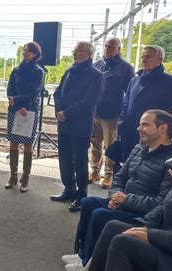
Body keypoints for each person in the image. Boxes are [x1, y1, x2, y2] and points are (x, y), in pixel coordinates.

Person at [62, 110, 172, 271]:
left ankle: (89, 262)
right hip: (124, 202)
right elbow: (120, 177)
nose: (138, 128)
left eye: (145, 124)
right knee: (88, 203)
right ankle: (83, 254)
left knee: (100, 215)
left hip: (143, 214)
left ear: (163, 128)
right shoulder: (140, 147)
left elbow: (162, 202)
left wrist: (126, 199)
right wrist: (114, 196)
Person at [87, 169, 172, 271]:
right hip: (166, 237)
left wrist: (152, 236)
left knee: (123, 243)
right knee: (112, 226)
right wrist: (145, 225)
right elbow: (163, 205)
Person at [50, 41, 104, 212]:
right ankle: (69, 189)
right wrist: (59, 110)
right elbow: (57, 92)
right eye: (74, 50)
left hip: (80, 124)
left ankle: (81, 196)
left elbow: (89, 101)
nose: (75, 53)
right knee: (65, 159)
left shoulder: (96, 75)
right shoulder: (68, 71)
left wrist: (67, 113)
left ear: (88, 54)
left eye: (79, 51)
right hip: (64, 123)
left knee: (80, 161)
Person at [114, 45, 172, 174]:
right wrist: (121, 123)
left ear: (160, 59)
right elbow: (126, 104)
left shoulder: (169, 81)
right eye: (143, 56)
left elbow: (170, 110)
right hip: (129, 131)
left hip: (152, 134)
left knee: (142, 169)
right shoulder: (135, 80)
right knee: (124, 166)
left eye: (148, 56)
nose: (144, 60)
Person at [90, 37, 135, 189]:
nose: (107, 49)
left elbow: (129, 92)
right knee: (95, 143)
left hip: (112, 113)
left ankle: (108, 174)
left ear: (118, 49)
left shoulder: (126, 68)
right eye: (106, 46)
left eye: (111, 47)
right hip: (95, 111)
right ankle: (94, 170)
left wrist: (124, 112)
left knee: (110, 145)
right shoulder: (97, 64)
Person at [5, 42, 44, 193]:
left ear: (36, 54)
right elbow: (10, 89)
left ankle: (25, 178)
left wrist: (21, 103)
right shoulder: (16, 70)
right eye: (24, 51)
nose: (26, 53)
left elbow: (35, 92)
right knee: (13, 143)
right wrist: (15, 102)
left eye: (29, 51)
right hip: (15, 109)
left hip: (29, 111)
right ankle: (13, 176)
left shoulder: (39, 72)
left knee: (28, 145)